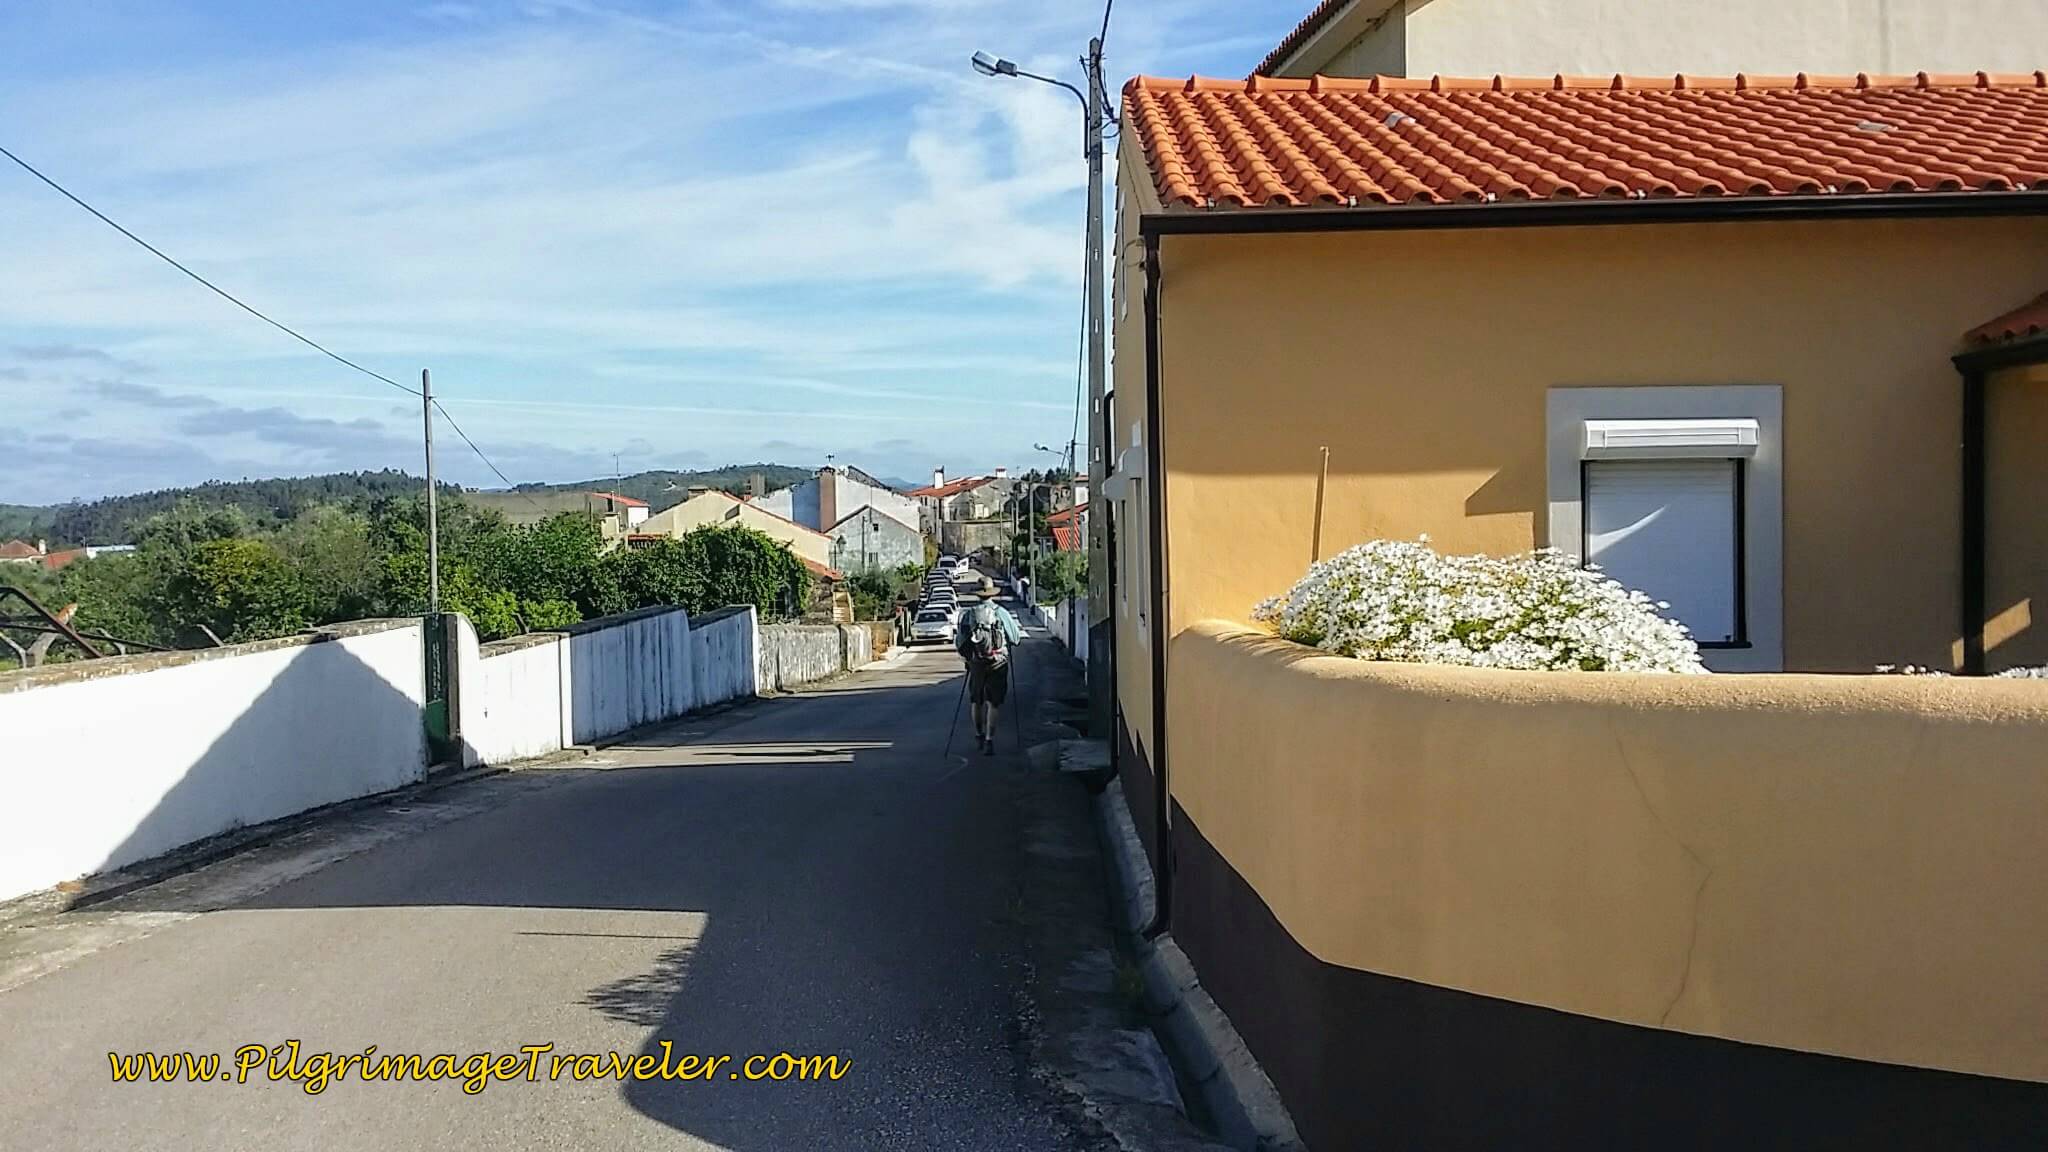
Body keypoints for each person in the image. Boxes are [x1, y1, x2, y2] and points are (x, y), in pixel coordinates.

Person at [955, 575, 1024, 755]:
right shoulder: (1001, 612)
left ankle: (978, 734)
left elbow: (959, 642)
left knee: (976, 701)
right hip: (997, 663)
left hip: (976, 663)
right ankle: (989, 740)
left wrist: (968, 657)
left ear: (978, 594)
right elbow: (1016, 638)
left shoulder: (968, 614)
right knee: (994, 703)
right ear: (992, 593)